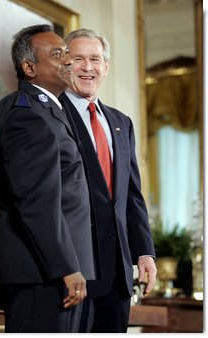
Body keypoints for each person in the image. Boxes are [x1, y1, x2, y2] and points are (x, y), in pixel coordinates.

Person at [0, 24, 95, 333]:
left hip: (50, 271)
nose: (68, 61)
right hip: (44, 274)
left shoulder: (38, 109)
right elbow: (36, 200)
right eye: (58, 54)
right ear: (29, 67)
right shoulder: (28, 113)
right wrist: (66, 267)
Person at [59, 28, 157, 333]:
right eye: (78, 59)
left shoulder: (120, 122)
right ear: (64, 64)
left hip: (117, 276)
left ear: (106, 66)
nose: (88, 67)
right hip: (72, 273)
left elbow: (131, 195)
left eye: (95, 59)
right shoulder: (51, 115)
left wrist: (144, 252)